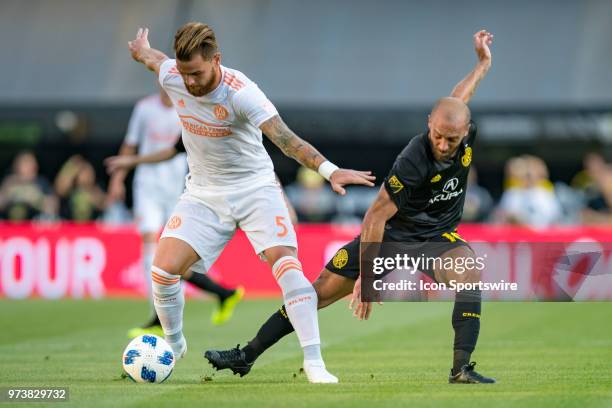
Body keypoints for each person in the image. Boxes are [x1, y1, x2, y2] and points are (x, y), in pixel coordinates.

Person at [205, 30, 496, 384]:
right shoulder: (414, 160)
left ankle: (460, 368)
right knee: (315, 294)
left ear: (465, 133)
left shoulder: (458, 124)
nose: (443, 144)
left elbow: (457, 98)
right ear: (429, 126)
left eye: (451, 139)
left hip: (434, 238)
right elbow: (376, 216)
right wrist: (369, 280)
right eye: (437, 135)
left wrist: (482, 64)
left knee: (469, 273)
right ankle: (247, 355)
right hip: (388, 236)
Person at [126, 22, 375, 383]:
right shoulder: (173, 75)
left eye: (196, 73)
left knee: (288, 268)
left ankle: (314, 363)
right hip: (203, 193)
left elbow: (286, 140)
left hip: (255, 189)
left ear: (217, 60)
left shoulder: (241, 93)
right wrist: (141, 50)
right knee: (163, 272)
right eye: (184, 73)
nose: (190, 83)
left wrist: (329, 169)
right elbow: (155, 60)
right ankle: (173, 344)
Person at [106, 88, 243, 337]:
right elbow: (130, 144)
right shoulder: (145, 108)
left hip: (181, 188)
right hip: (147, 186)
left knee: (172, 257)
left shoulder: (188, 107)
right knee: (152, 250)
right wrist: (118, 178)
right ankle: (159, 315)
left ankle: (221, 294)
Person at [0, 151, 57, 221]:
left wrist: (37, 199)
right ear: (17, 166)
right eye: (25, 163)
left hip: (34, 224)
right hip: (9, 224)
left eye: (31, 163)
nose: (30, 166)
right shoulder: (9, 182)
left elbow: (52, 206)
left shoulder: (41, 182)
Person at [55, 155, 108, 221]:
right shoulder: (70, 188)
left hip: (91, 225)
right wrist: (70, 170)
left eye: (87, 172)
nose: (85, 175)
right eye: (81, 172)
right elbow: (60, 190)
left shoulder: (96, 188)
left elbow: (104, 204)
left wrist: (91, 193)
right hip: (69, 224)